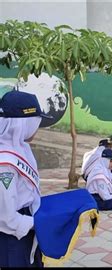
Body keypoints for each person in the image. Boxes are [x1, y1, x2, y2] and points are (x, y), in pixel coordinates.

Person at [0, 90, 52, 267]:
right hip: (12, 235)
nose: (37, 127)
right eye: (35, 121)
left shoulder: (21, 147)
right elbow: (6, 217)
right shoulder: (5, 163)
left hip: (27, 226)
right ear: (22, 124)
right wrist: (42, 223)